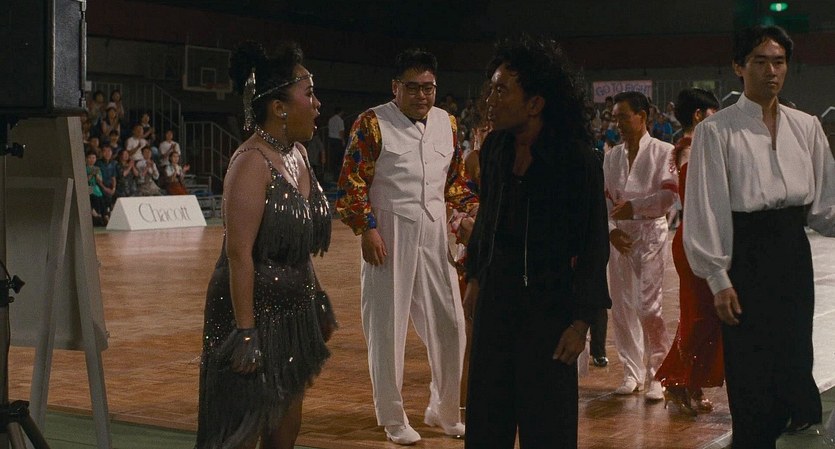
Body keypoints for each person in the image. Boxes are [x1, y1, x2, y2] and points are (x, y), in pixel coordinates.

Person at [684, 25, 835, 448]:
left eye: (779, 62)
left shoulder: (806, 126)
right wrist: (718, 278)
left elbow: (824, 207)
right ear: (739, 66)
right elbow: (706, 208)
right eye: (761, 61)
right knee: (750, 367)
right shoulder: (717, 131)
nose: (772, 71)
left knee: (793, 357)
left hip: (793, 253)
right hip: (745, 256)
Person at [462, 35, 610, 449]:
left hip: (550, 313)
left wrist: (581, 323)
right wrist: (475, 277)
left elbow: (595, 244)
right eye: (491, 88)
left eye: (501, 90)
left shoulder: (576, 159)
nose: (490, 99)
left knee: (548, 430)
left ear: (534, 103)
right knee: (486, 423)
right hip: (496, 304)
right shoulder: (495, 148)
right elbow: (487, 219)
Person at [196, 40, 336, 449]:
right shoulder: (250, 163)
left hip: (292, 314)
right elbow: (239, 254)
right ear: (279, 107)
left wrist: (316, 296)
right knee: (239, 431)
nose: (318, 105)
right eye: (309, 94)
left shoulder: (299, 155)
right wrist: (245, 333)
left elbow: (297, 248)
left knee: (286, 429)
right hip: (251, 315)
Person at [335, 48, 477, 445]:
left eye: (428, 87)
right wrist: (366, 229)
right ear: (395, 87)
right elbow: (352, 181)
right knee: (387, 329)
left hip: (434, 233)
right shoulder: (372, 123)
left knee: (452, 326)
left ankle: (444, 409)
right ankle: (393, 418)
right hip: (388, 232)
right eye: (412, 88)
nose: (421, 95)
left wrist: (469, 212)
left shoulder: (448, 123)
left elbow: (455, 182)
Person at [654, 88, 724, 416]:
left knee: (705, 317)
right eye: (713, 114)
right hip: (696, 240)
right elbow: (699, 202)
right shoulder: (691, 150)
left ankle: (687, 383)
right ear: (698, 115)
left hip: (702, 237)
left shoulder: (697, 148)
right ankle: (677, 382)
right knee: (699, 318)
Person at [603, 91, 677, 401]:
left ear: (642, 116)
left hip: (650, 233)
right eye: (615, 118)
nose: (617, 124)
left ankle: (658, 373)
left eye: (623, 117)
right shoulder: (611, 156)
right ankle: (631, 372)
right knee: (622, 308)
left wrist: (635, 208)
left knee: (649, 307)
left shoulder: (664, 151)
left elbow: (669, 196)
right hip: (620, 236)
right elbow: (605, 202)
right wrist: (610, 231)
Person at [326, 106, 345, 183]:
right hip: (337, 140)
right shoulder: (340, 120)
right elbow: (341, 132)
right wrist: (343, 140)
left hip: (331, 139)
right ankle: (338, 177)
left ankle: (333, 175)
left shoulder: (330, 119)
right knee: (338, 159)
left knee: (333, 158)